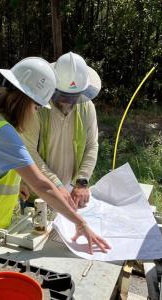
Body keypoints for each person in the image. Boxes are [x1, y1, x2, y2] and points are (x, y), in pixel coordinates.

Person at [0, 57, 110, 266]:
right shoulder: (4, 133)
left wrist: (18, 182)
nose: (36, 112)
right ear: (25, 100)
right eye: (36, 107)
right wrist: (80, 223)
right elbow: (43, 186)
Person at [20, 52, 101, 209]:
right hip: (38, 195)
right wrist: (56, 185)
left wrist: (82, 182)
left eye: (73, 96)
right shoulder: (37, 107)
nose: (67, 101)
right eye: (63, 95)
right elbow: (28, 151)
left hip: (70, 195)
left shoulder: (87, 107)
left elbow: (92, 145)